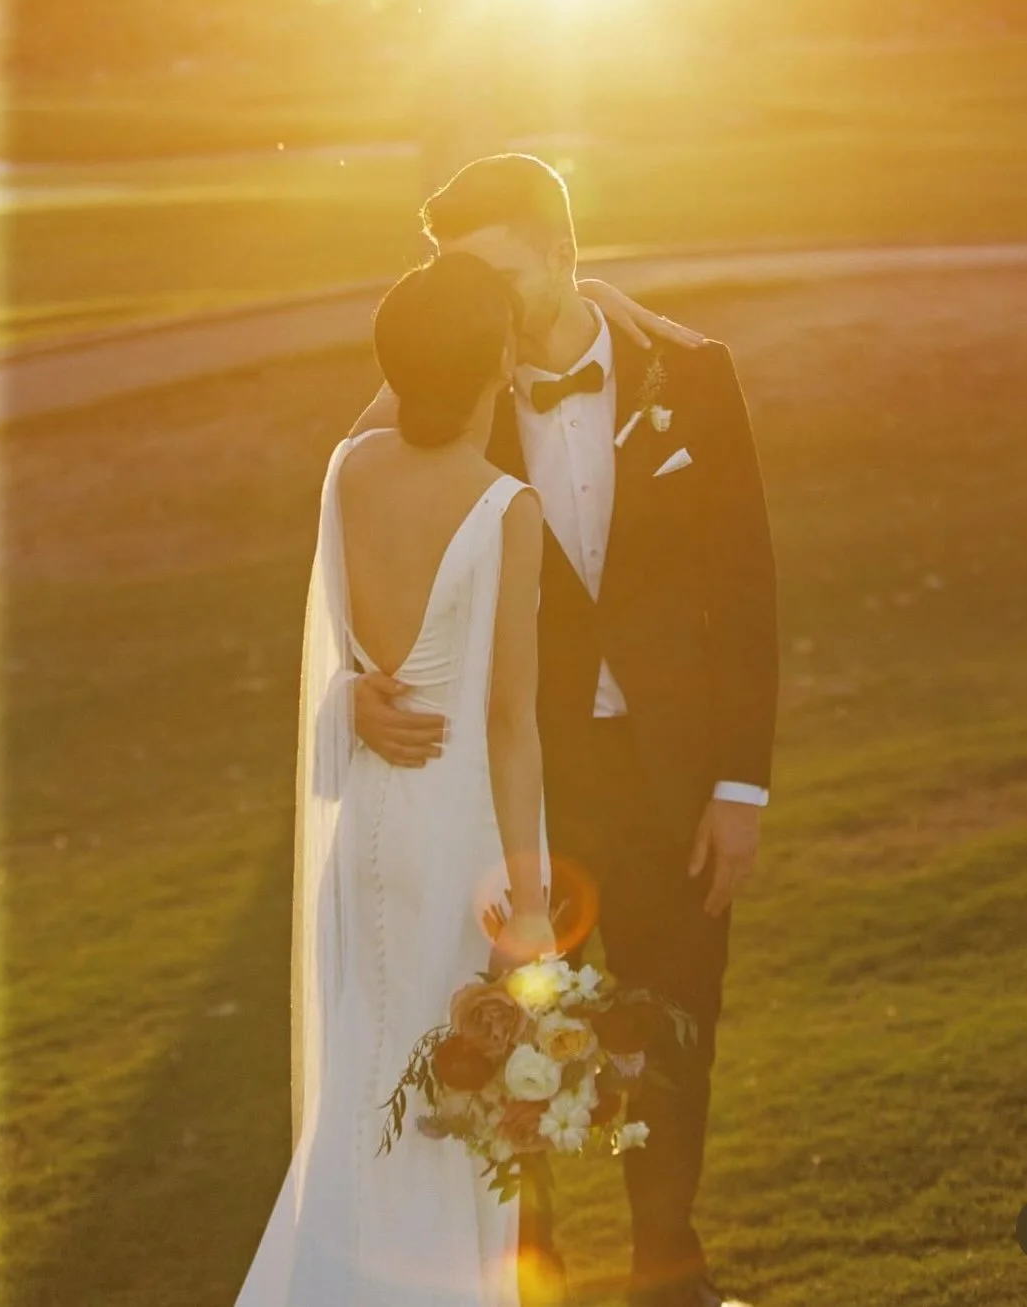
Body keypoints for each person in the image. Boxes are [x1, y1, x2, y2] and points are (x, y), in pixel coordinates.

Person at [352, 154, 779, 1307]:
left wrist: (743, 785)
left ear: (563, 254)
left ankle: (665, 1282)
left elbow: (744, 587)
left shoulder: (691, 373)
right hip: (509, 785)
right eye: (456, 278)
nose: (476, 305)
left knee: (676, 1036)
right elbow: (353, 536)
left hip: (675, 779)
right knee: (501, 1047)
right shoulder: (442, 388)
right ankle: (524, 1289)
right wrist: (355, 679)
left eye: (494, 274)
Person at [233, 251, 556, 1307]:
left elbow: (335, 657)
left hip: (369, 820)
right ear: (495, 359)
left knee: (371, 1084)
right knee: (446, 1108)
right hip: (456, 826)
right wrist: (534, 890)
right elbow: (510, 721)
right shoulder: (507, 507)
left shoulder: (351, 470)